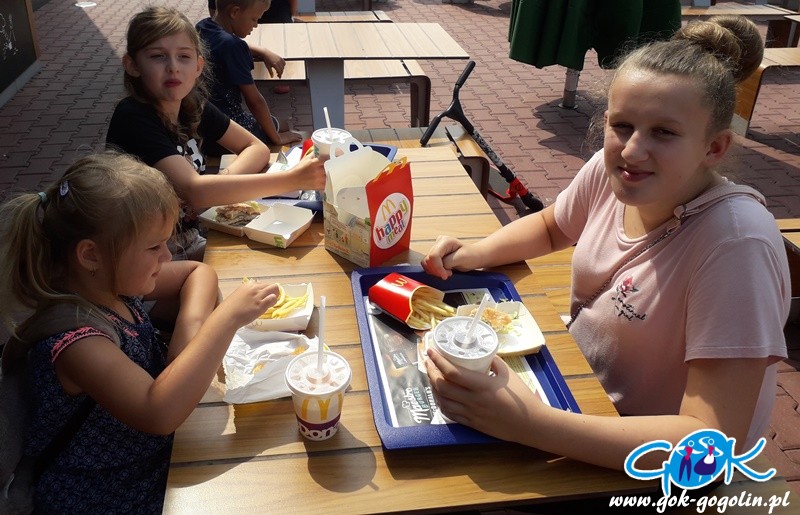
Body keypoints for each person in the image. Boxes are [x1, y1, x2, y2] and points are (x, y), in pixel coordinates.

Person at [422, 16, 788, 471]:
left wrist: (529, 423)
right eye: (622, 125)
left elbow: (711, 446)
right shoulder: (611, 170)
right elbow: (552, 227)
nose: (632, 150)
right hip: (574, 394)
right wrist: (475, 253)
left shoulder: (736, 245)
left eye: (664, 132)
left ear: (714, 148)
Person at [0, 152, 281, 512]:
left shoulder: (109, 285)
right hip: (108, 493)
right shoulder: (76, 342)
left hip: (150, 459)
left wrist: (186, 339)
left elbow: (199, 273)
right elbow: (159, 413)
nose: (166, 256)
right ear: (91, 256)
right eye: (153, 247)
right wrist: (224, 320)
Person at [106, 6, 324, 261]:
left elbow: (256, 148)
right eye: (158, 56)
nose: (173, 67)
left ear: (199, 66)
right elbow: (195, 191)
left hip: (188, 238)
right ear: (132, 65)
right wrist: (292, 179)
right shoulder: (134, 117)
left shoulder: (191, 105)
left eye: (184, 56)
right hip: (142, 256)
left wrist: (221, 184)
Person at [197, 0, 302, 147]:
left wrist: (262, 51)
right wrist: (277, 139)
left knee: (280, 124)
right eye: (254, 19)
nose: (256, 25)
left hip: (203, 125)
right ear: (235, 12)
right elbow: (255, 102)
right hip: (228, 132)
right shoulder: (234, 47)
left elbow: (223, 42)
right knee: (283, 127)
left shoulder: (203, 26)